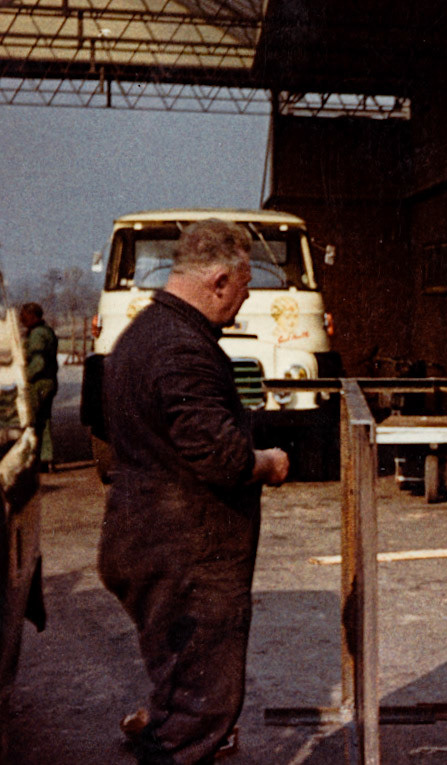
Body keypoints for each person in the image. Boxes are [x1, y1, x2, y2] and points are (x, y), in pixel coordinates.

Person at [97, 219, 289, 764]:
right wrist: (269, 462)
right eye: (246, 286)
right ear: (220, 280)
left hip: (146, 541)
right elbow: (221, 459)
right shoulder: (182, 350)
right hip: (186, 557)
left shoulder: (142, 334)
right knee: (199, 711)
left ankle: (164, 728)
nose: (246, 299)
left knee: (180, 681)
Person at [19, 302, 58, 470]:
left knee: (32, 421)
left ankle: (33, 460)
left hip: (38, 383)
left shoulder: (36, 335)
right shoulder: (47, 331)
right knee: (45, 420)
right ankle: (46, 459)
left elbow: (38, 362)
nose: (21, 319)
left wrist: (24, 378)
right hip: (50, 382)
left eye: (24, 316)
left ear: (32, 316)